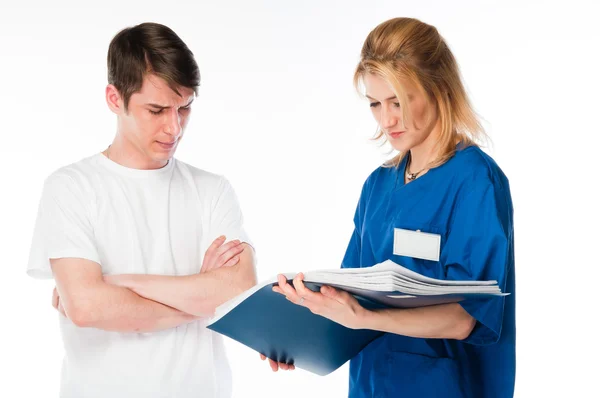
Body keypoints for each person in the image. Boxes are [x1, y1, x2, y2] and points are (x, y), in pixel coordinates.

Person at [263, 17, 515, 398]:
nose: (387, 120)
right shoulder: (378, 186)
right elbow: (350, 298)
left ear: (438, 88)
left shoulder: (475, 181)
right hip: (371, 385)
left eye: (397, 101)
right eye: (375, 104)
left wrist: (366, 316)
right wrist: (298, 337)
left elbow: (468, 318)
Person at [27, 22, 257, 398]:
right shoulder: (70, 188)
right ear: (115, 99)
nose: (174, 128)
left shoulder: (212, 190)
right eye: (157, 110)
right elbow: (86, 307)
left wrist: (117, 284)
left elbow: (238, 289)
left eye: (184, 109)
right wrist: (200, 299)